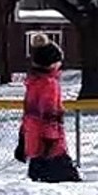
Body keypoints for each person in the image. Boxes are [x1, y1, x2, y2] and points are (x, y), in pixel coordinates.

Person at [17, 33, 81, 183]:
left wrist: (23, 141)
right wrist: (50, 141)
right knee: (68, 187)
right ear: (52, 63)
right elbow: (49, 115)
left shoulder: (33, 83)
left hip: (33, 144)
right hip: (51, 147)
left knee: (37, 187)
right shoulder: (50, 85)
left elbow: (28, 115)